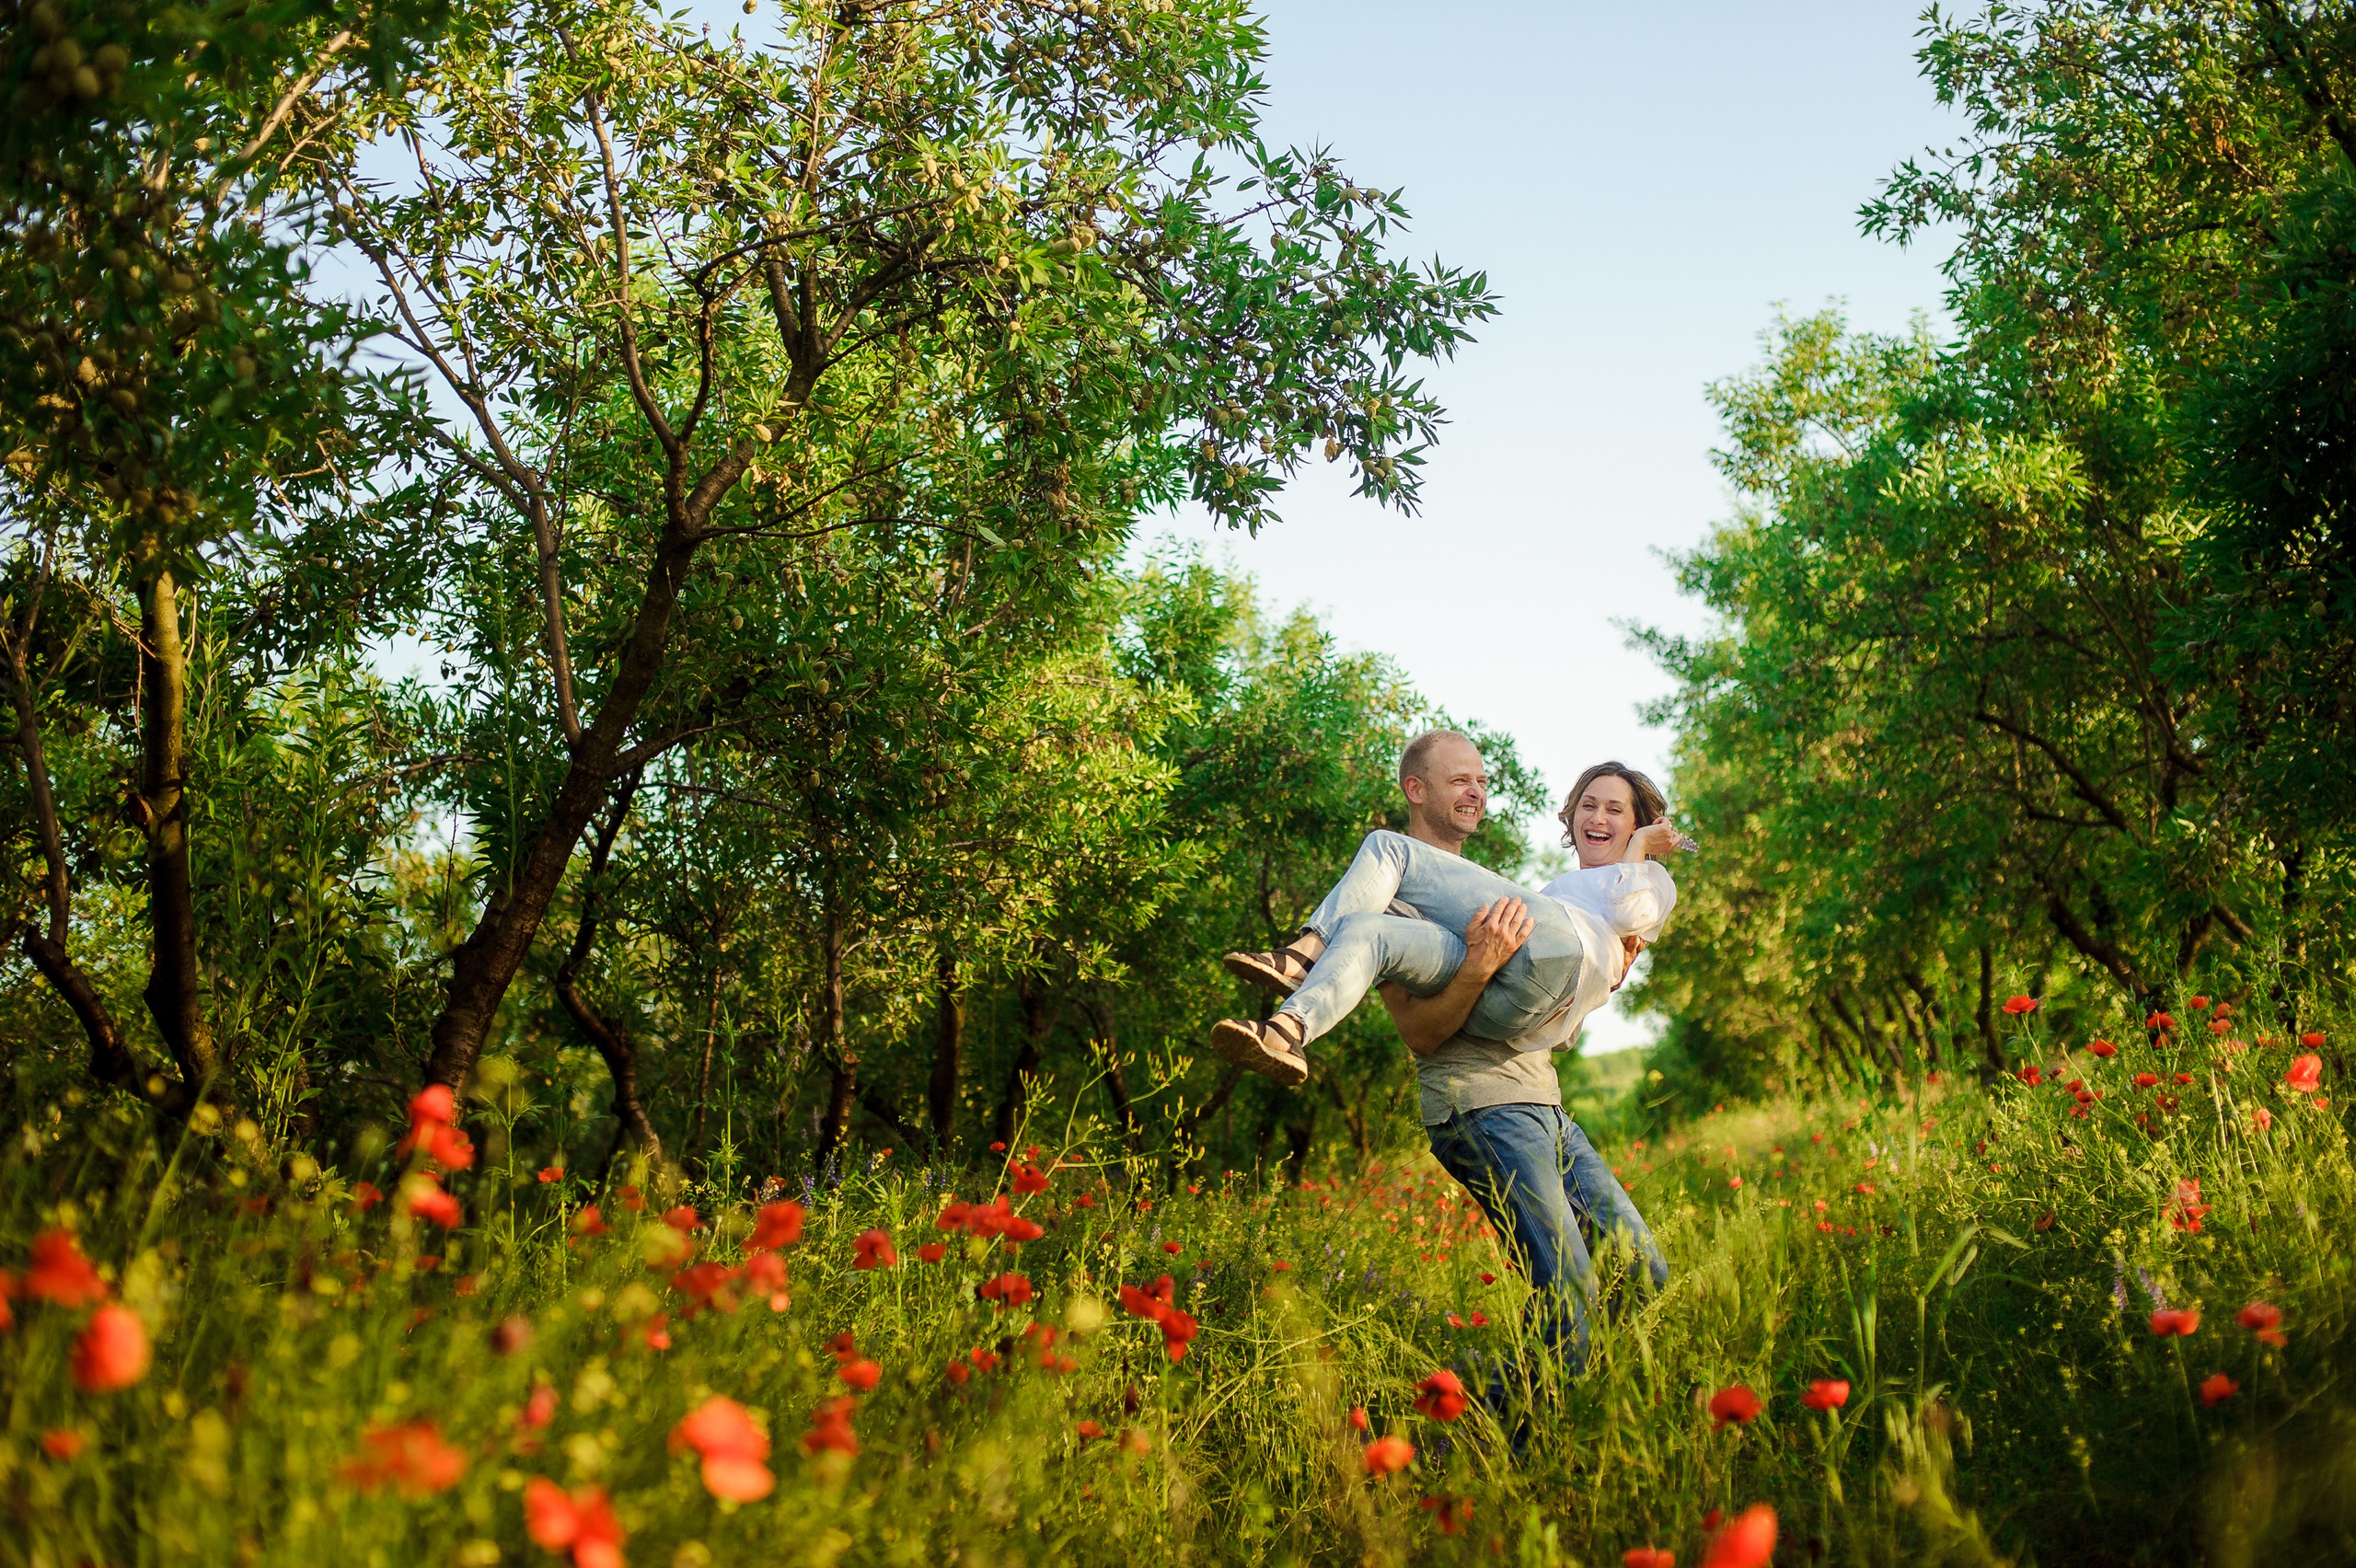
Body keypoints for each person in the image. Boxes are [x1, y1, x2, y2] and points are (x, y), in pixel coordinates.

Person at [1212, 732, 1678, 1399]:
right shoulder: (1385, 906)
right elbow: (1423, 1037)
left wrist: (1589, 989)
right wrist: (1482, 964)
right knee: (1569, 1292)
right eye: (1460, 780)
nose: (1477, 792)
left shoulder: (1516, 897)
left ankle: (1286, 1024)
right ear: (1416, 789)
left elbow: (1554, 1020)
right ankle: (1514, 1433)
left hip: (1542, 1103)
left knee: (1640, 1272)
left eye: (1481, 782)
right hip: (1483, 1107)